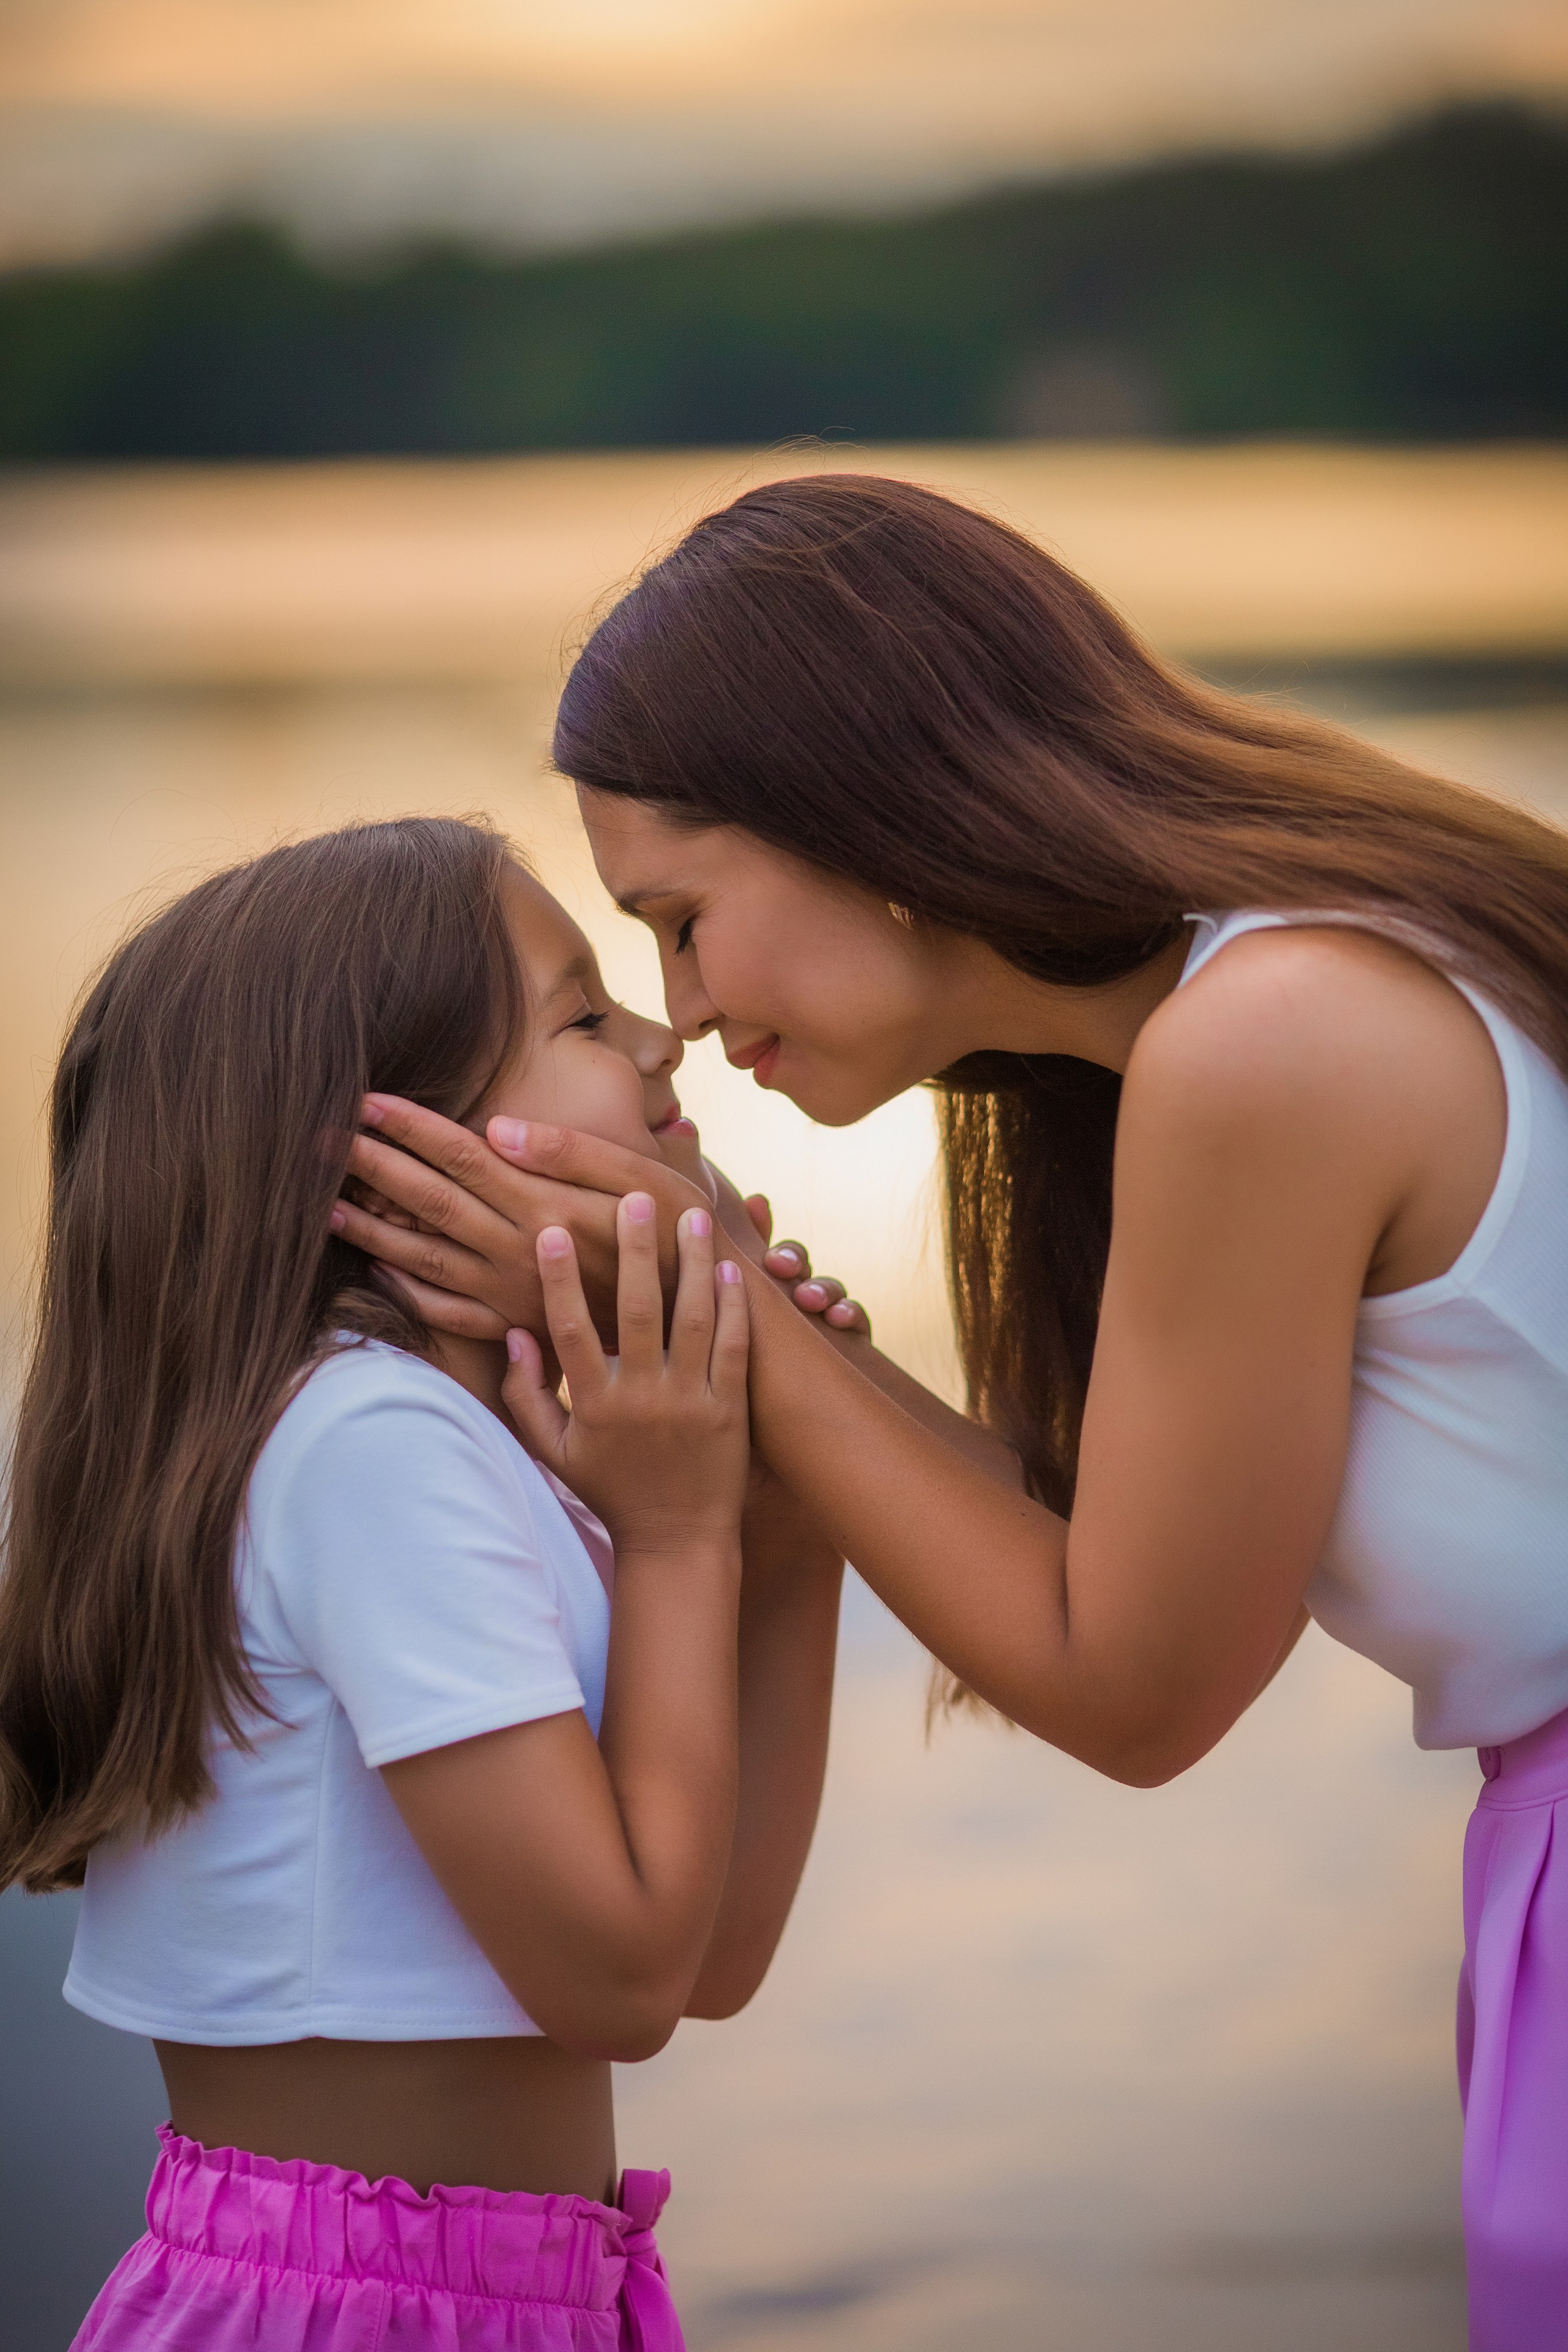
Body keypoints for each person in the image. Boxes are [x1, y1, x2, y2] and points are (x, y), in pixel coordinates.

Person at [334, 475, 1568, 2352]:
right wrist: (755, 1338)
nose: (681, 1012)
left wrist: (726, 1301)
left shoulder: (1269, 1039)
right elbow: (1104, 1556)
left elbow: (1137, 1689)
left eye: (680, 917)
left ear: (858, 818)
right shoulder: (1255, 985)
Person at [0, 816, 848, 2352]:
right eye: (584, 1017)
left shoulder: (467, 1442)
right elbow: (624, 1983)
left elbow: (708, 1953)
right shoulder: (368, 1443)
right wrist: (675, 1537)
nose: (667, 1038)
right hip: (355, 2312)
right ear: (382, 1153)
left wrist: (779, 1535)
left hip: (515, 2290)